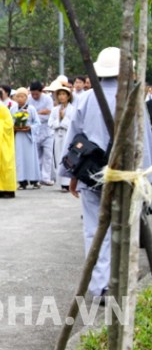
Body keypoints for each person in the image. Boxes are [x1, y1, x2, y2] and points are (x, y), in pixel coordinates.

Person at [59, 46, 152, 299]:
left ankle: (100, 286)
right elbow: (145, 141)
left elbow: (73, 139)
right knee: (126, 227)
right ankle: (122, 281)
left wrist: (71, 175)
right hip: (127, 176)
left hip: (91, 174)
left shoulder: (86, 98)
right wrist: (147, 180)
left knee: (94, 229)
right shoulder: (134, 98)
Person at [10, 87, 42, 190]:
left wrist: (29, 128)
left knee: (31, 159)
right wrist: (14, 128)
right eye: (18, 96)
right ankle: (22, 181)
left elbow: (37, 123)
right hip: (18, 137)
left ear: (26, 97)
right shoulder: (13, 109)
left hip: (28, 137)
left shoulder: (31, 109)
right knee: (19, 158)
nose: (20, 98)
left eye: (22, 96)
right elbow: (9, 122)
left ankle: (34, 180)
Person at [48, 85, 75, 192]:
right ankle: (62, 183)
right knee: (58, 157)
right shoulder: (55, 110)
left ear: (68, 96)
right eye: (59, 94)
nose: (61, 97)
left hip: (67, 136)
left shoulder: (73, 109)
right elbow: (50, 123)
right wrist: (58, 122)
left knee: (68, 158)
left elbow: (73, 123)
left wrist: (63, 119)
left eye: (64, 94)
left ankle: (69, 182)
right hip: (57, 136)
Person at [28, 80, 55, 186]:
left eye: (36, 94)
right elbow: (29, 116)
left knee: (48, 155)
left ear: (41, 91)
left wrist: (36, 115)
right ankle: (37, 177)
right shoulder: (29, 99)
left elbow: (49, 114)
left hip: (47, 130)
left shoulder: (48, 99)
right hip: (35, 131)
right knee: (37, 155)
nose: (34, 96)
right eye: (32, 94)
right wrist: (40, 113)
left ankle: (46, 177)